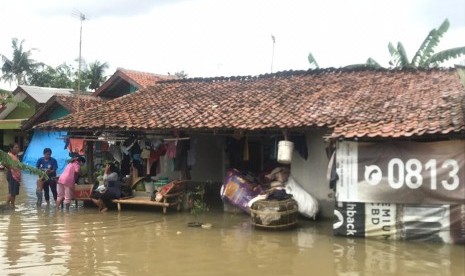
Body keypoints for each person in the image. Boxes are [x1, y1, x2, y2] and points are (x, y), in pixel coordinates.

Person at [5, 143, 22, 208]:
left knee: (12, 191)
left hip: (15, 175)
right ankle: (12, 206)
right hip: (12, 175)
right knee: (13, 192)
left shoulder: (15, 155)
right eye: (16, 147)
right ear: (11, 148)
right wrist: (11, 168)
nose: (18, 149)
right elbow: (4, 163)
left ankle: (7, 204)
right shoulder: (9, 155)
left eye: (18, 147)